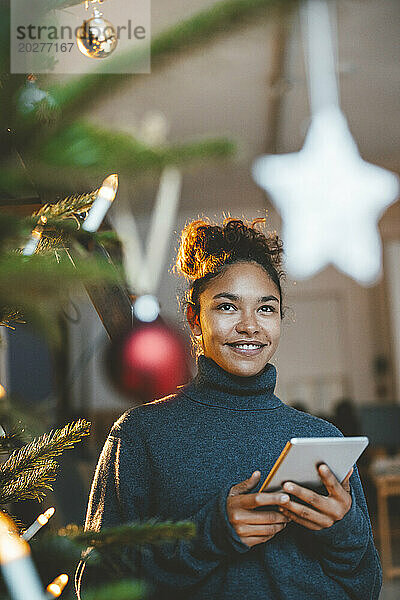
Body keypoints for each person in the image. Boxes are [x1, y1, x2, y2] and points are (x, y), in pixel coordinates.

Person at [82, 217, 382, 600]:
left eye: (266, 309)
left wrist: (342, 530)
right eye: (227, 306)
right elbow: (95, 585)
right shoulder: (142, 434)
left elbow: (367, 587)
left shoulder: (322, 438)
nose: (250, 326)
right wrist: (211, 535)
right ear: (195, 319)